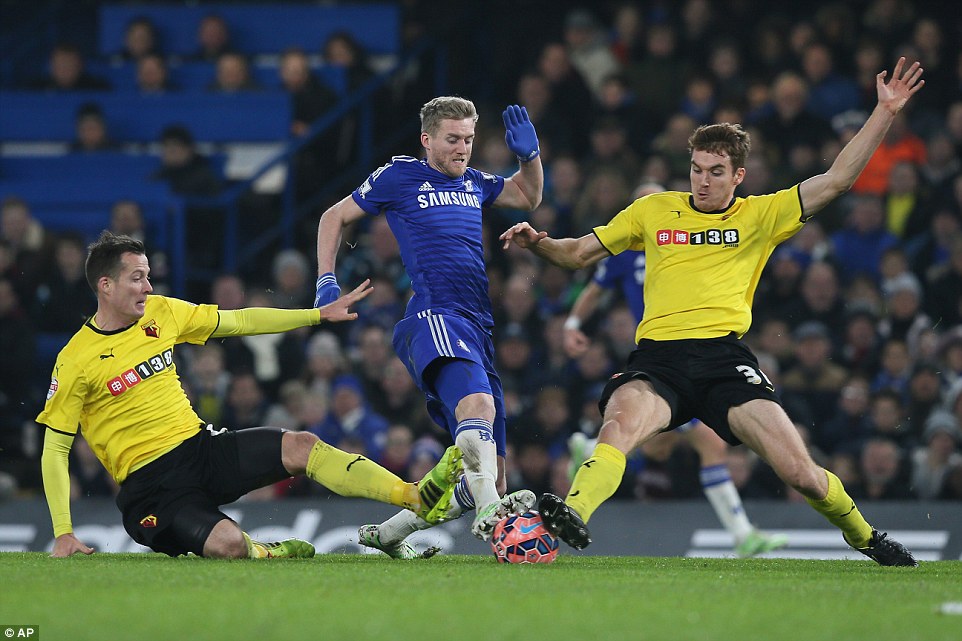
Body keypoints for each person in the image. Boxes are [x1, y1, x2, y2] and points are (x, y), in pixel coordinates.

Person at [499, 58, 924, 566]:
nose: (703, 181)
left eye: (716, 172)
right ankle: (574, 512)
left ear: (738, 175)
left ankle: (865, 538)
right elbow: (576, 255)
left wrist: (884, 112)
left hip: (724, 360)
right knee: (618, 424)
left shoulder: (763, 214)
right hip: (659, 360)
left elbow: (836, 180)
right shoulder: (653, 210)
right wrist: (538, 242)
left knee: (801, 474)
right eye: (697, 170)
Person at [37, 231, 463, 559]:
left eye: (148, 276)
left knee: (301, 445)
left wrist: (316, 314)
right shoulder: (75, 359)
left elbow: (239, 320)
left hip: (200, 449)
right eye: (137, 278)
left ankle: (413, 496)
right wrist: (63, 531)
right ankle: (268, 551)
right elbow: (55, 449)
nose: (148, 287)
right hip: (151, 491)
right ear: (106, 286)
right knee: (229, 546)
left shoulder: (162, 312)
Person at [314, 96, 544, 556]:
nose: (463, 149)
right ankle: (489, 515)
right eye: (453, 140)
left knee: (491, 474)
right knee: (477, 408)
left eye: (470, 140)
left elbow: (528, 197)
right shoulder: (399, 175)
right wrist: (326, 282)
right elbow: (333, 216)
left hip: (478, 324)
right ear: (427, 140)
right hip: (434, 314)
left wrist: (530, 158)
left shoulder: (475, 182)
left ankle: (391, 533)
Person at [563, 181, 788, 557]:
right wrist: (572, 324)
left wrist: (573, 325)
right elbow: (594, 289)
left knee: (662, 440)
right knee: (704, 441)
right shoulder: (626, 249)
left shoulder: (683, 242)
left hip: (683, 358)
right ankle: (742, 534)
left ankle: (588, 447)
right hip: (660, 361)